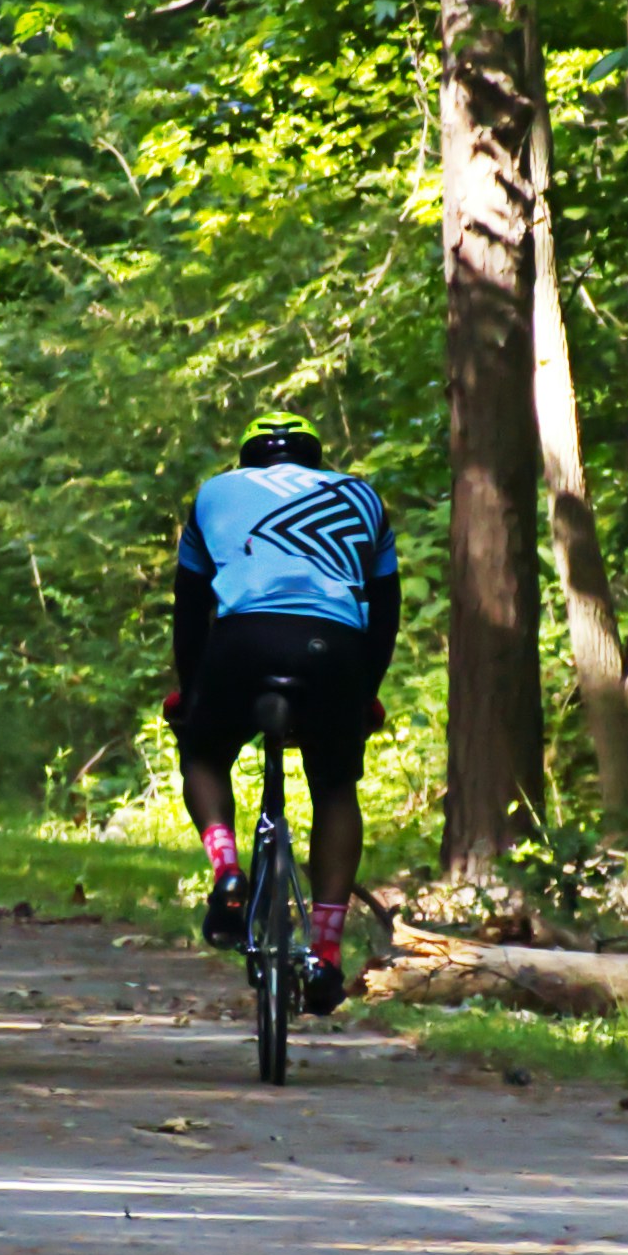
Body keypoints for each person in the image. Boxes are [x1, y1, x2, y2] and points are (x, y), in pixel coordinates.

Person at [170, 409, 398, 1011]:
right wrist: (365, 693)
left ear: (247, 458)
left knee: (205, 750)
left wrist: (190, 692)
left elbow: (191, 608)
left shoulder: (214, 493)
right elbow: (385, 612)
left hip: (242, 641)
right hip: (336, 649)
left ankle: (225, 869)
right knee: (334, 787)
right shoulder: (363, 497)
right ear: (315, 459)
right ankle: (325, 950)